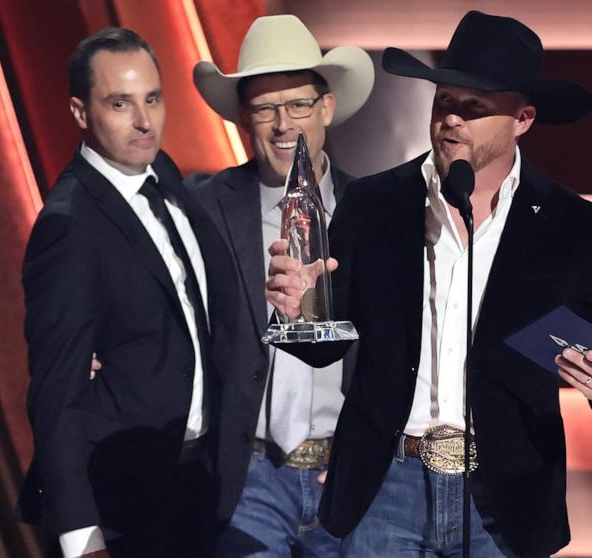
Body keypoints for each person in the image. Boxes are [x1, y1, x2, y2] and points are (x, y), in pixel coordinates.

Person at [265, 11, 592, 557]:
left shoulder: (571, 225)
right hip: (385, 487)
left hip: (504, 497)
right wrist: (300, 313)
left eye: (474, 109)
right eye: (444, 102)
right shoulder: (374, 205)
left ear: (523, 119)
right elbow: (328, 346)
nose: (451, 121)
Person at [16, 27, 237, 558]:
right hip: (123, 505)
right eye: (120, 103)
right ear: (79, 112)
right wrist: (81, 538)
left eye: (152, 99)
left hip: (197, 483)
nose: (144, 122)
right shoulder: (69, 226)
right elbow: (56, 394)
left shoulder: (162, 172)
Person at [188, 14, 374, 556]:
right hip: (249, 475)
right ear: (245, 119)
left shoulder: (376, 213)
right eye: (266, 108)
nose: (282, 124)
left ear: (327, 109)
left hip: (347, 476)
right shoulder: (204, 209)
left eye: (297, 105)